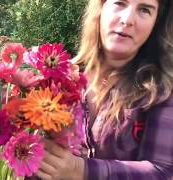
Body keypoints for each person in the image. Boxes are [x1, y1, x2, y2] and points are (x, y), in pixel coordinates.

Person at [34, 0, 173, 179]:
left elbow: (164, 172)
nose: (128, 19)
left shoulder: (162, 90)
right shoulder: (59, 79)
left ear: (156, 23)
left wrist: (81, 170)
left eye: (145, 9)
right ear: (100, 7)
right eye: (120, 3)